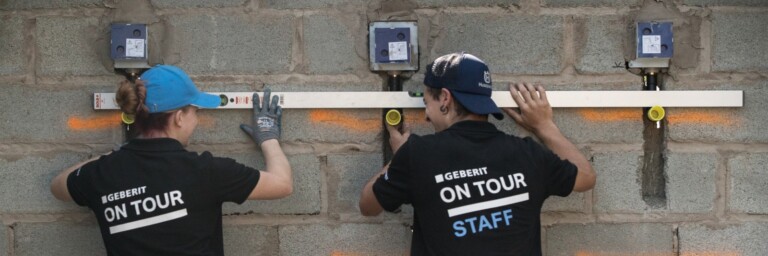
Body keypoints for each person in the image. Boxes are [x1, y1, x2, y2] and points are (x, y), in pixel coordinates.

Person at [359, 53, 596, 255]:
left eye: (426, 103)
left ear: (445, 98)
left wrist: (399, 158)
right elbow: (586, 177)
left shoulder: (417, 154)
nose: (426, 116)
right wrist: (544, 126)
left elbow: (368, 206)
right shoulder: (528, 153)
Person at [50, 65, 292, 255]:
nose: (196, 121)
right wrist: (268, 137)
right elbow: (282, 184)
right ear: (178, 117)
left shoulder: (100, 174)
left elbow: (59, 186)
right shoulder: (205, 172)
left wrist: (111, 157)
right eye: (195, 112)